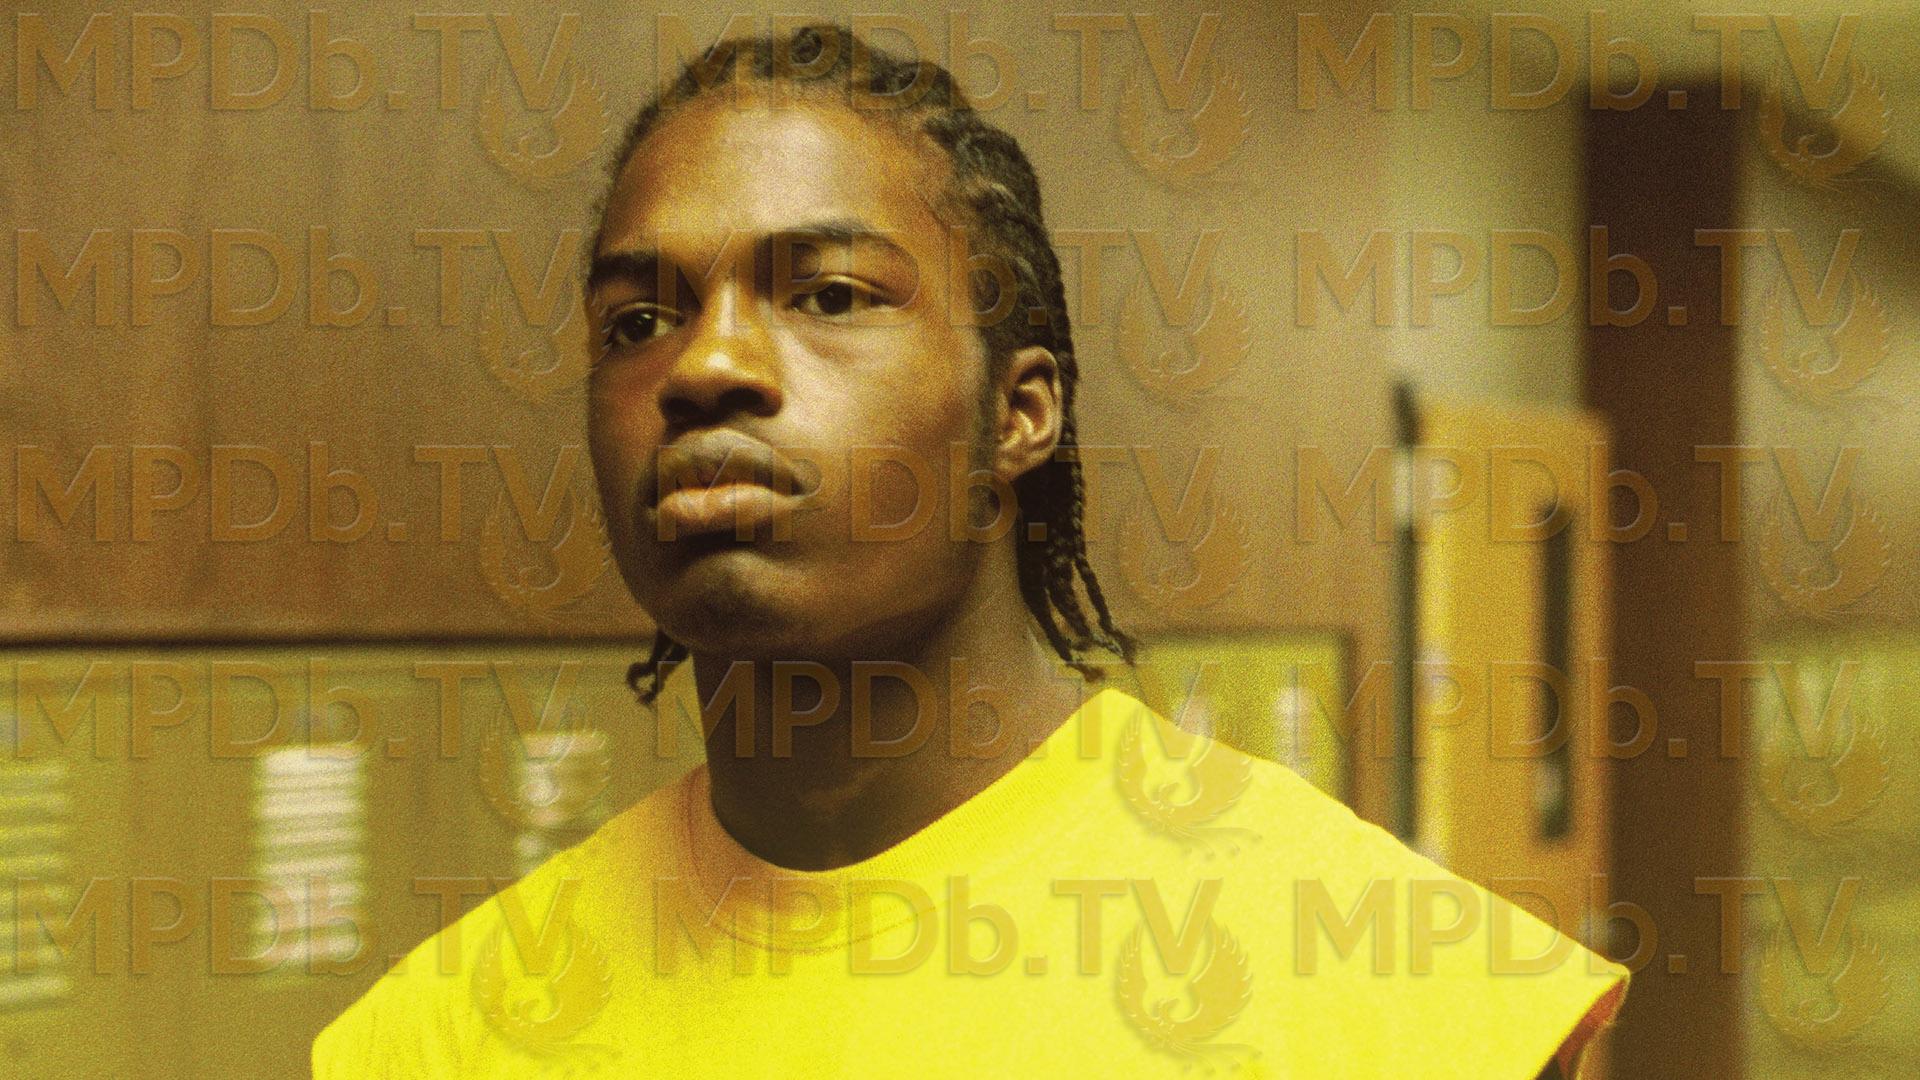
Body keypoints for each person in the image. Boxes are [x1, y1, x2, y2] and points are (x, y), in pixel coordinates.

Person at [313, 23, 1625, 1078]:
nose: (703, 365)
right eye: (638, 321)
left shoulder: (1388, 990)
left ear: (1019, 413)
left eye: (830, 295)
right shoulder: (447, 1035)